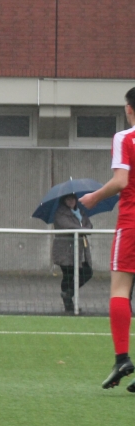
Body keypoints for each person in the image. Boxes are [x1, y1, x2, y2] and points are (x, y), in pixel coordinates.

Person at [78, 86, 135, 390]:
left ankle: (122, 358)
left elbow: (121, 181)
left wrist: (94, 197)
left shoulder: (125, 137)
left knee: (120, 289)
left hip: (132, 223)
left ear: (128, 108)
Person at [51, 194, 93, 313]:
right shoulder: (60, 213)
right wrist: (83, 229)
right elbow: (68, 226)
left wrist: (84, 229)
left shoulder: (81, 212)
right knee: (68, 276)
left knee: (87, 272)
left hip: (80, 249)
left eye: (73, 199)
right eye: (68, 199)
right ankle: (69, 306)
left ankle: (68, 294)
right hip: (65, 250)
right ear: (64, 201)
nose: (71, 201)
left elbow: (90, 226)